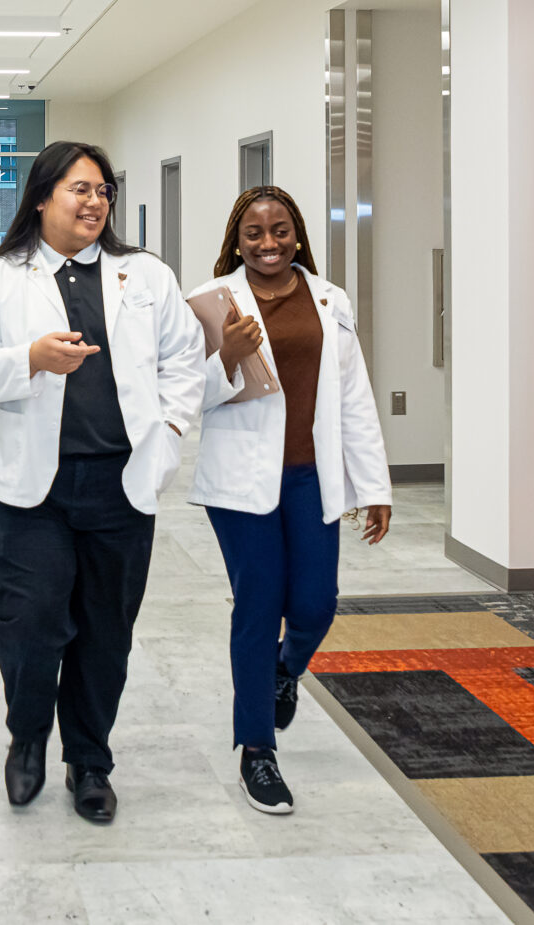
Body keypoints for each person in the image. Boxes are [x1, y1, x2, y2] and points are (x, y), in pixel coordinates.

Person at [0, 141, 204, 824]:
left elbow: (186, 357)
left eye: (103, 190)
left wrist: (172, 430)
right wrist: (27, 358)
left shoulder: (143, 274)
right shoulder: (0, 278)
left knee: (105, 633)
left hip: (122, 486)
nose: (94, 202)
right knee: (30, 624)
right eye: (78, 188)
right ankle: (28, 735)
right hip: (35, 493)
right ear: (41, 197)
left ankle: (89, 757)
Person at [187, 185, 392, 816]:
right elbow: (188, 394)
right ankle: (257, 750)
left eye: (280, 231)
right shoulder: (210, 303)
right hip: (242, 483)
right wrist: (228, 355)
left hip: (311, 475)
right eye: (254, 233)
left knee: (314, 603)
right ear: (236, 240)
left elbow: (353, 394)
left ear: (298, 235)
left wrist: (374, 485)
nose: (268, 243)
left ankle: (286, 668)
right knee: (258, 604)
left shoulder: (330, 300)